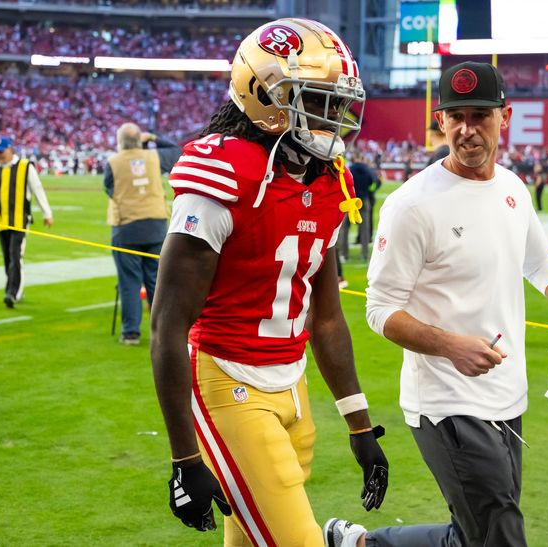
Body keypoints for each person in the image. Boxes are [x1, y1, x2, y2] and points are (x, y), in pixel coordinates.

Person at [324, 61, 548, 547]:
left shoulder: (513, 189)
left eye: (479, 115)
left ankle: (361, 544)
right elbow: (379, 309)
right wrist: (449, 346)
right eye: (454, 115)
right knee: (501, 533)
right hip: (446, 402)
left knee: (474, 537)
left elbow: (539, 264)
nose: (466, 129)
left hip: (507, 395)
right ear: (440, 121)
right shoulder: (411, 204)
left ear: (505, 116)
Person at [150, 18, 388, 547]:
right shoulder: (225, 168)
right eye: (319, 99)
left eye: (338, 102)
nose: (333, 117)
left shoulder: (327, 180)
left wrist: (359, 423)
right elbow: (168, 323)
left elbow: (325, 317)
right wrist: (183, 456)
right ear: (265, 93)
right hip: (229, 382)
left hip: (293, 386)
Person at [104, 123, 181, 345]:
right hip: (155, 226)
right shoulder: (154, 157)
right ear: (140, 140)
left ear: (119, 142)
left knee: (129, 282)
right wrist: (153, 137)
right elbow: (176, 150)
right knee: (157, 281)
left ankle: (131, 333)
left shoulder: (113, 162)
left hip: (126, 227)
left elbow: (109, 188)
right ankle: (164, 331)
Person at [0, 136, 53, 308]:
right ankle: (14, 289)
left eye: (1, 151)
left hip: (19, 220)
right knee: (7, 257)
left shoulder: (24, 167)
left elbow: (37, 188)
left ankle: (12, 292)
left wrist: (47, 212)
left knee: (15, 255)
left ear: (11, 150)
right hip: (0, 221)